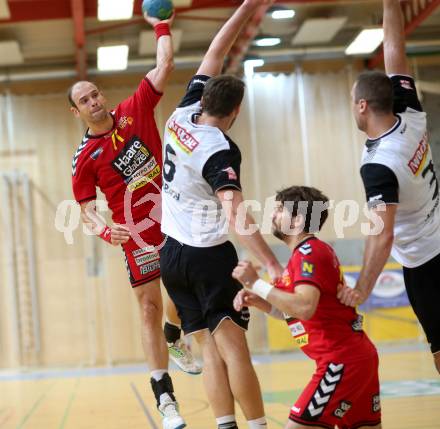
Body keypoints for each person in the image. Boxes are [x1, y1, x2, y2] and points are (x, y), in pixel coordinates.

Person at [159, 1, 283, 428]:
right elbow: (235, 213)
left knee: (208, 353)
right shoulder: (219, 150)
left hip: (170, 254)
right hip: (208, 256)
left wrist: (247, 5)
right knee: (234, 350)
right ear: (233, 113)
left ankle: (225, 425)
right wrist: (270, 262)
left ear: (204, 95)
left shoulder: (181, 114)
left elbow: (215, 50)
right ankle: (258, 426)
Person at [69, 12, 193, 429]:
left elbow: (165, 66)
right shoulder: (84, 159)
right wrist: (106, 229)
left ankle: (174, 336)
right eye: (84, 100)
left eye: (95, 94)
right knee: (148, 308)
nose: (94, 101)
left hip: (174, 220)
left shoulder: (134, 109)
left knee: (183, 293)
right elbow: (86, 211)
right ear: (77, 112)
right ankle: (165, 399)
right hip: (135, 235)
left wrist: (162, 25)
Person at [337, 0, 440, 375]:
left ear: (363, 105)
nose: (351, 108)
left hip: (426, 261)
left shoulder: (379, 164)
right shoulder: (409, 112)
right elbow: (396, 51)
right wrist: (390, 4)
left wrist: (362, 288)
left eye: (351, 102)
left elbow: (381, 235)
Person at [233, 186, 382, 429]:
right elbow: (291, 313)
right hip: (354, 358)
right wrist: (258, 298)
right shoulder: (302, 256)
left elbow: (304, 307)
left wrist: (255, 283)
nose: (272, 215)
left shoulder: (309, 253)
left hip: (340, 361)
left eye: (280, 210)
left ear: (299, 219)